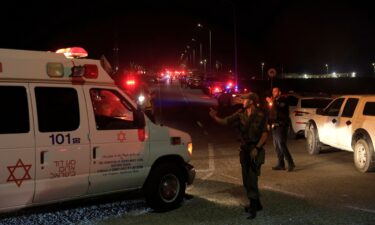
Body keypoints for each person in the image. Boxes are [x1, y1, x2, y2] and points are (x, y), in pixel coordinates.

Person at [209, 92, 268, 219]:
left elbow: (264, 134)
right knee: (246, 180)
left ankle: (253, 207)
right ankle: (257, 204)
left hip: (255, 150)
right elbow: (226, 121)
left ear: (251, 101)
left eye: (244, 99)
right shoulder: (240, 114)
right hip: (245, 150)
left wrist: (257, 148)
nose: (242, 101)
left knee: (252, 178)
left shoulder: (261, 114)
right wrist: (215, 117)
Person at [266, 87, 296, 172]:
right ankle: (281, 164)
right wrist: (268, 123)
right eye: (273, 91)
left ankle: (291, 164)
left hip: (281, 126)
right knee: (276, 146)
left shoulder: (284, 100)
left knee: (282, 145)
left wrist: (272, 102)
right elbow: (271, 113)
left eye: (275, 91)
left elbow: (281, 109)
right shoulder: (273, 101)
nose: (274, 93)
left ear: (279, 92)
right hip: (274, 126)